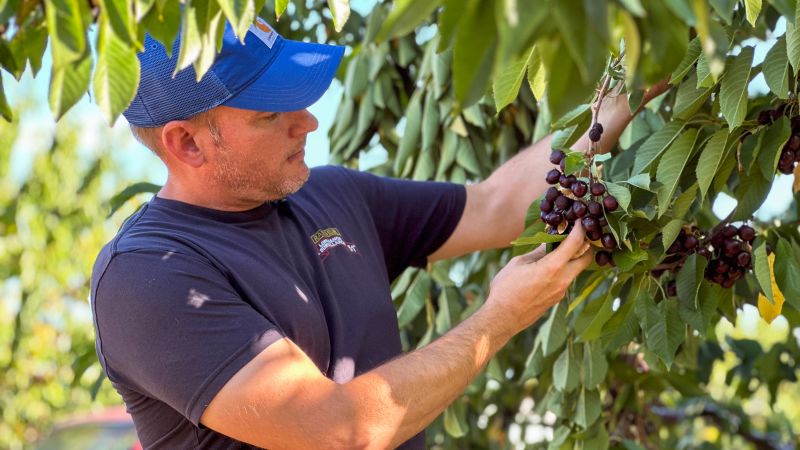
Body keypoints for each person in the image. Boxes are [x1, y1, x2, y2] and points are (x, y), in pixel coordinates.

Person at [90, 16, 661, 450]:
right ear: (186, 144)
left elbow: (493, 206)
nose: (307, 120)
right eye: (269, 113)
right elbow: (335, 430)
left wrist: (634, 87)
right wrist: (499, 319)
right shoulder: (149, 277)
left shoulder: (331, 195)